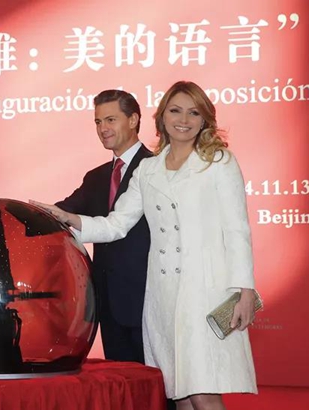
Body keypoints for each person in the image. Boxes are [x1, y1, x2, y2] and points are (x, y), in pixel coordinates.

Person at [32, 81, 258, 410]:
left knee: (203, 392)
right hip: (163, 296)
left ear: (204, 119)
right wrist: (70, 218)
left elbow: (237, 230)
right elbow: (116, 224)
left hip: (205, 293)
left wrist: (245, 290)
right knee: (179, 394)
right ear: (162, 116)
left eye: (193, 113)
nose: (184, 120)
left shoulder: (219, 162)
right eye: (175, 111)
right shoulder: (148, 170)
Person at [55, 90, 152, 364]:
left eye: (110, 120)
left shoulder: (155, 168)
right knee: (121, 381)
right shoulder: (96, 177)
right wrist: (24, 214)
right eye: (98, 122)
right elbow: (63, 211)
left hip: (149, 299)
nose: (103, 129)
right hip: (108, 303)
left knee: (156, 382)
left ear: (133, 120)